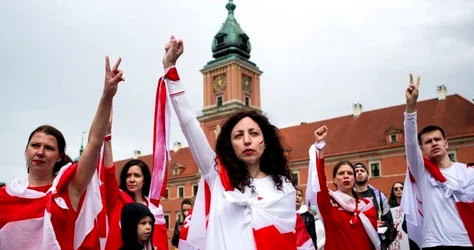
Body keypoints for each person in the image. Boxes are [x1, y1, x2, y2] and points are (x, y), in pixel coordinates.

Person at [164, 36, 297, 250]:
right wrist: (170, 69)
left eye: (254, 133)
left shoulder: (284, 188)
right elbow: (188, 123)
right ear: (229, 145)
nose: (246, 140)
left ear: (266, 142)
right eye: (238, 136)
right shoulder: (217, 175)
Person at [0, 56, 124, 249]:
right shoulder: (4, 197)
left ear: (59, 156)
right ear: (26, 151)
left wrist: (106, 96)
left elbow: (93, 144)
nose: (40, 152)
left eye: (49, 148)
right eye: (35, 145)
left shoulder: (68, 190)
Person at [400, 74, 474, 249]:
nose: (434, 143)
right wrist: (411, 106)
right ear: (422, 149)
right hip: (434, 243)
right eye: (428, 142)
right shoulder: (422, 172)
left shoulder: (469, 173)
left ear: (446, 143)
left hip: (467, 241)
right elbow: (409, 141)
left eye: (437, 139)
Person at [306, 125, 380, 250]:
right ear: (334, 179)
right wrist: (320, 146)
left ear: (354, 178)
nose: (346, 176)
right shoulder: (328, 203)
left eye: (350, 173)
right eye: (341, 173)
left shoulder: (367, 205)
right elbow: (319, 180)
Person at [102, 113, 168, 250]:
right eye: (128, 175)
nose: (131, 179)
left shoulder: (155, 208)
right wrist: (107, 137)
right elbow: (108, 172)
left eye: (137, 175)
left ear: (144, 180)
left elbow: (161, 243)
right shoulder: (117, 199)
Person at [354, 163, 396, 249]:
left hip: (377, 243)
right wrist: (371, 224)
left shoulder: (379, 196)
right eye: (356, 171)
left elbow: (389, 222)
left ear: (368, 176)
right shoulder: (348, 197)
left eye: (362, 171)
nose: (359, 173)